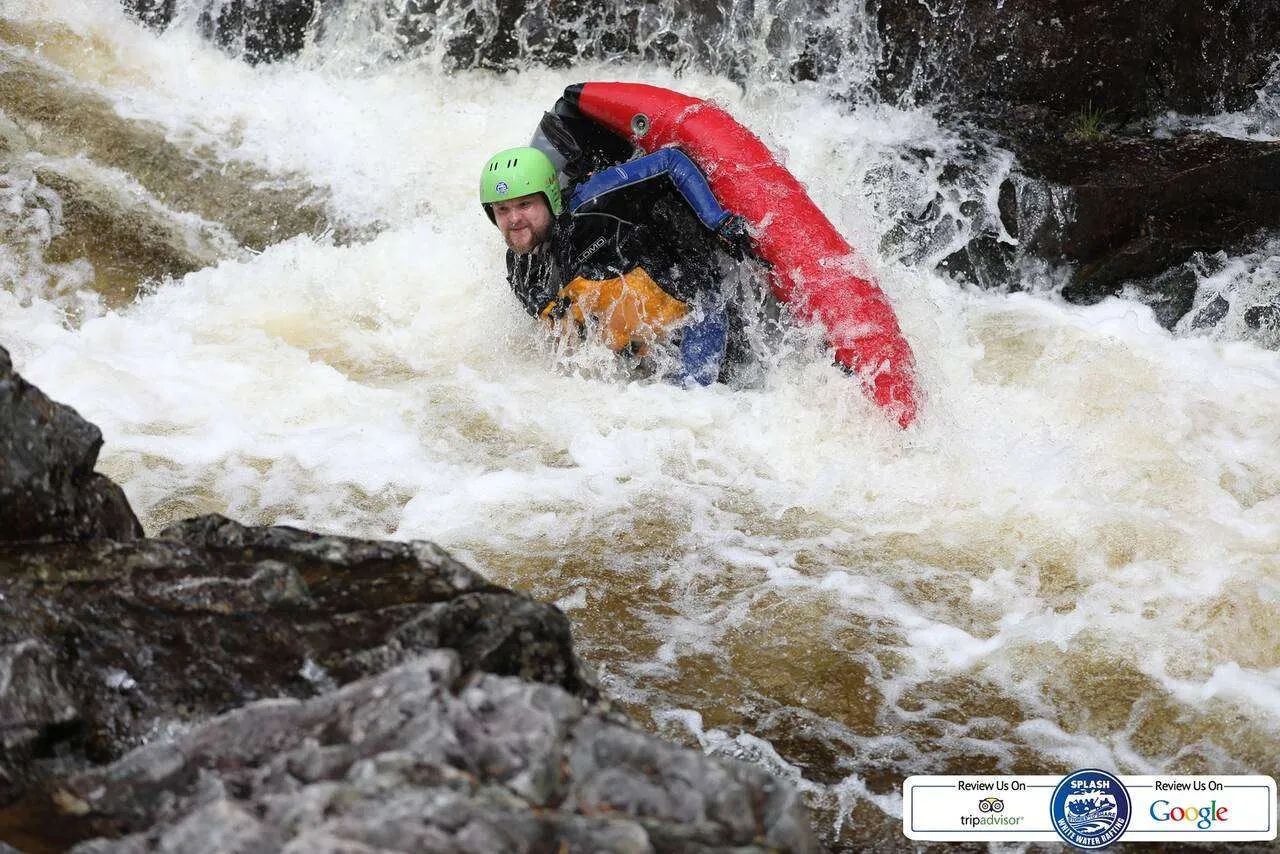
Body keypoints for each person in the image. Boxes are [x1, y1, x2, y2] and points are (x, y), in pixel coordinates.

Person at [480, 134, 755, 386]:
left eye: (525, 205)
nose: (514, 219)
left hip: (697, 310)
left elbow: (670, 161)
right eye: (502, 210)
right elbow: (564, 333)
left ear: (549, 198)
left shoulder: (594, 201)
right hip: (646, 350)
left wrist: (718, 221)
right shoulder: (521, 270)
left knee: (692, 404)